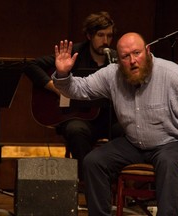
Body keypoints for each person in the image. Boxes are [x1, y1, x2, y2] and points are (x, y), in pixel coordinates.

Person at [51, 33, 178, 215]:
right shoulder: (112, 75)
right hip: (134, 143)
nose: (132, 61)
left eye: (137, 53)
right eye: (125, 56)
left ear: (147, 51)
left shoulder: (175, 76)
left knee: (167, 162)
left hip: (173, 142)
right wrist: (63, 73)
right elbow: (79, 89)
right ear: (118, 59)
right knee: (94, 161)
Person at [24, 11, 123, 183]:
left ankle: (114, 182)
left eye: (109, 36)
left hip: (108, 118)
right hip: (78, 117)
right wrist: (57, 88)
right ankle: (88, 182)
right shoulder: (75, 53)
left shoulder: (115, 59)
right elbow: (31, 66)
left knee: (126, 131)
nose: (105, 41)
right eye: (100, 35)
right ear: (89, 35)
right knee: (76, 130)